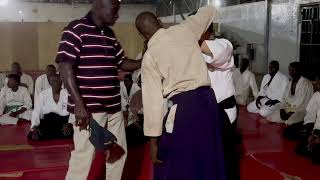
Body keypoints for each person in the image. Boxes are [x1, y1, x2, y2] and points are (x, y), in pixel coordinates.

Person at [136, 6, 227, 180]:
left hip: (183, 108)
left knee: (178, 160)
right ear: (160, 22)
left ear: (142, 35)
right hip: (207, 103)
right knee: (208, 155)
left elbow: (153, 103)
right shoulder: (185, 29)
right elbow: (209, 10)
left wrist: (153, 142)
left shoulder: (149, 56)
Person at [55, 0, 141, 179]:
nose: (118, 15)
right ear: (99, 5)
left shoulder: (109, 34)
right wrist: (79, 105)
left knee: (118, 153)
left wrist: (144, 61)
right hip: (89, 110)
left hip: (114, 109)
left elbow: (121, 62)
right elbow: (64, 66)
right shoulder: (76, 28)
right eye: (115, 10)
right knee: (84, 158)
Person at [201, 37, 241, 180]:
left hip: (223, 108)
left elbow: (207, 48)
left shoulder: (224, 45)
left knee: (226, 152)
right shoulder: (191, 47)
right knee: (206, 153)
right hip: (203, 108)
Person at [28, 74, 73, 141]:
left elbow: (73, 111)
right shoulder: (43, 95)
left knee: (71, 133)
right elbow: (36, 111)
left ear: (61, 82)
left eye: (58, 81)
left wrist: (70, 124)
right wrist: (34, 126)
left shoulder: (67, 94)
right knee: (34, 134)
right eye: (54, 81)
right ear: (50, 82)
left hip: (64, 123)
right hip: (48, 122)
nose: (56, 83)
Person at [295, 88, 320, 164]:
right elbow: (311, 116)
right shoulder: (317, 95)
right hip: (318, 130)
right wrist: (312, 134)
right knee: (299, 148)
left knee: (317, 157)